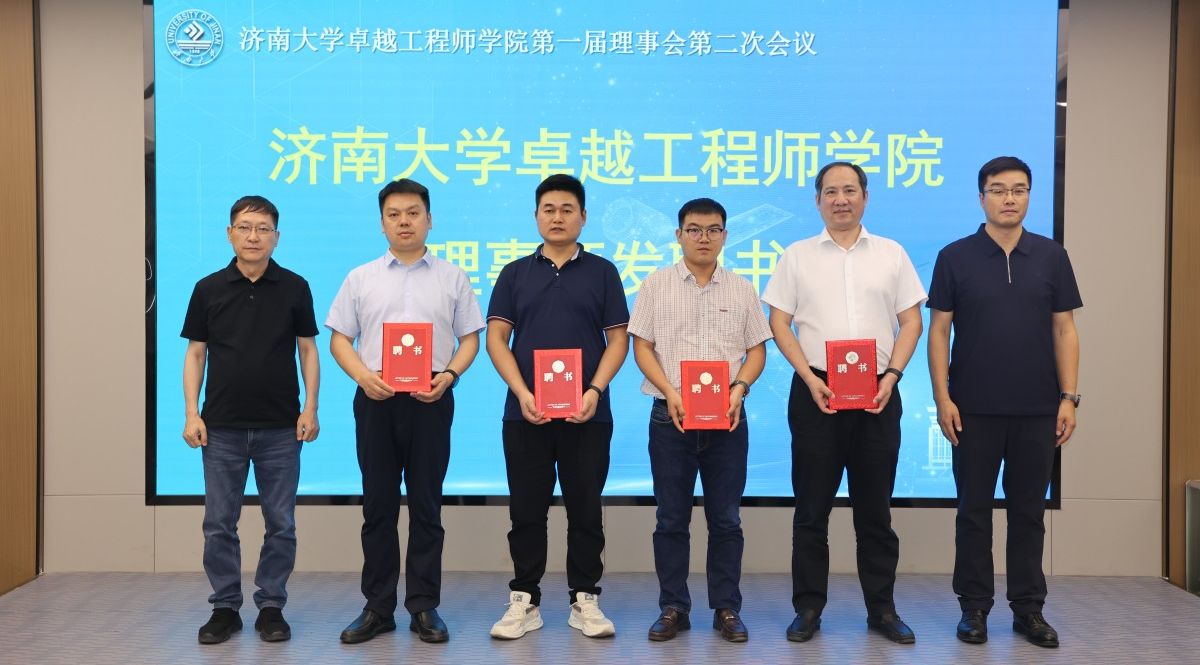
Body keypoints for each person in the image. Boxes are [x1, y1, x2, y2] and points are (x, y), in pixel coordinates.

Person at [762, 162, 926, 644]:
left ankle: (883, 610)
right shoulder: (797, 256)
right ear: (817, 201)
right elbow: (778, 322)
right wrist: (807, 377)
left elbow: (912, 322)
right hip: (817, 391)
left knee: (875, 512)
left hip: (878, 392)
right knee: (811, 511)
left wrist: (892, 376)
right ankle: (808, 608)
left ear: (865, 197)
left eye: (850, 190)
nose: (841, 200)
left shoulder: (892, 254)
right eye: (830, 192)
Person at [927, 156, 1081, 649]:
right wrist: (942, 396)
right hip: (972, 408)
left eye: (1018, 189)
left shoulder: (1052, 256)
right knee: (973, 513)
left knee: (1028, 513)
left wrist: (1069, 397)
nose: (1009, 198)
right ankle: (973, 609)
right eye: (998, 190)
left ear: (1029, 196)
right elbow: (939, 331)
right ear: (981, 198)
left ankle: (1028, 610)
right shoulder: (955, 256)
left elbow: (1065, 329)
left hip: (1038, 408)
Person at [326, 178, 484, 645]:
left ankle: (424, 606)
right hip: (375, 399)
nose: (404, 222)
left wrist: (449, 376)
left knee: (427, 506)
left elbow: (470, 338)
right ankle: (377, 607)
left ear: (429, 219)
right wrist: (363, 377)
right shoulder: (361, 277)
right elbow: (340, 339)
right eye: (394, 214)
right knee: (377, 506)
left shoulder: (452, 276)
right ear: (381, 224)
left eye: (413, 213)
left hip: (431, 399)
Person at [486, 174, 629, 640]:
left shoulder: (603, 272)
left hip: (587, 414)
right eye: (548, 209)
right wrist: (522, 392)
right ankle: (524, 599)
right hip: (525, 413)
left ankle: (584, 598)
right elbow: (496, 339)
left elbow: (618, 340)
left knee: (586, 509)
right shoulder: (514, 273)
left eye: (568, 209)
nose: (558, 217)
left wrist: (594, 391)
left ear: (583, 217)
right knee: (526, 511)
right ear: (536, 217)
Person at [627, 197, 772, 643]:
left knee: (726, 519)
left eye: (712, 230)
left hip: (727, 420)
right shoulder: (656, 284)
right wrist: (671, 391)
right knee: (671, 519)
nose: (703, 238)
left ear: (725, 236)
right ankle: (673, 607)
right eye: (694, 229)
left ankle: (727, 607)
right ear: (679, 235)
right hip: (670, 418)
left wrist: (739, 388)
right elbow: (641, 346)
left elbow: (757, 350)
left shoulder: (742, 288)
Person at [182, 195, 320, 644]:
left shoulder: (295, 287)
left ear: (276, 237)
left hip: (281, 428)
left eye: (263, 229)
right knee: (219, 523)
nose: (253, 236)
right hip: (221, 428)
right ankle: (224, 608)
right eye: (244, 227)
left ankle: (271, 606)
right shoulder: (208, 288)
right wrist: (191, 413)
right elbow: (196, 354)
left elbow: (307, 349)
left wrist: (310, 408)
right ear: (230, 234)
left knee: (281, 523)